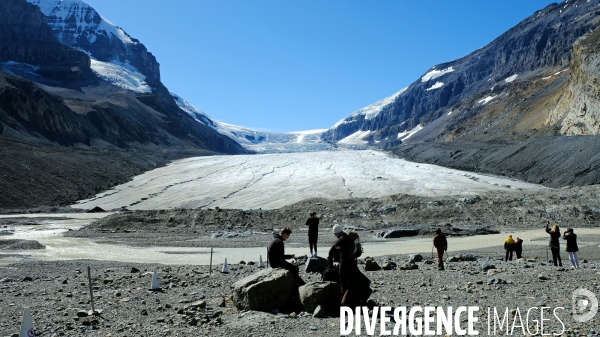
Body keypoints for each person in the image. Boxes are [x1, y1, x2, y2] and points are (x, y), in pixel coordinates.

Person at [333, 224, 372, 308]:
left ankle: (344, 305)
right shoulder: (348, 240)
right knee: (360, 283)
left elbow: (336, 250)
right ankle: (358, 302)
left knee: (346, 285)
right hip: (352, 264)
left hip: (345, 265)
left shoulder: (342, 240)